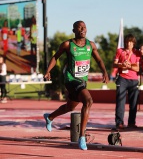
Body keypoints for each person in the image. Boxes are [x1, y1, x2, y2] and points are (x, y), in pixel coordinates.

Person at [43, 21, 109, 150]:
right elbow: (55, 57)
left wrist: (105, 72)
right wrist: (48, 71)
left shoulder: (91, 45)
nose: (82, 29)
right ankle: (82, 137)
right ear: (74, 30)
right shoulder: (68, 44)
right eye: (79, 27)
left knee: (70, 107)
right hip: (71, 79)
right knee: (88, 101)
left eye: (84, 27)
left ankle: (50, 117)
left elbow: (99, 60)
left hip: (82, 80)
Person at [112, 34, 140, 129]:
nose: (129, 44)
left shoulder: (137, 53)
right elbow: (114, 64)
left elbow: (137, 68)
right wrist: (121, 64)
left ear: (134, 43)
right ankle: (119, 122)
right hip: (122, 79)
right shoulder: (120, 51)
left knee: (134, 102)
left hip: (134, 80)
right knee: (120, 101)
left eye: (131, 42)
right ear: (125, 42)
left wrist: (129, 66)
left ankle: (132, 122)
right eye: (127, 42)